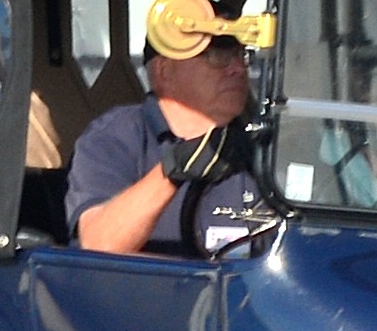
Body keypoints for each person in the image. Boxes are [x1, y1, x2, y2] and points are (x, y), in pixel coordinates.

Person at [67, 29, 262, 255]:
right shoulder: (114, 137)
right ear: (165, 70)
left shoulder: (262, 144)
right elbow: (99, 244)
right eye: (217, 56)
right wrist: (174, 169)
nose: (238, 69)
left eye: (241, 55)